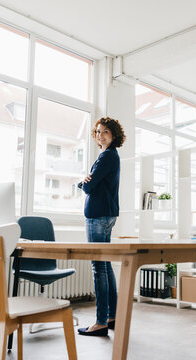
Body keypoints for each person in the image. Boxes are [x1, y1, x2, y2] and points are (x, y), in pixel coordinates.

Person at [77, 117, 125, 337]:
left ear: (113, 134)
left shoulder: (107, 156)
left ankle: (100, 322)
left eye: (105, 131)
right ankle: (112, 316)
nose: (100, 135)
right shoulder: (110, 155)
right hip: (106, 213)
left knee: (99, 267)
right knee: (105, 266)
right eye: (97, 132)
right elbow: (93, 182)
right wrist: (87, 180)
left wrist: (83, 182)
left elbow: (89, 187)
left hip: (98, 215)